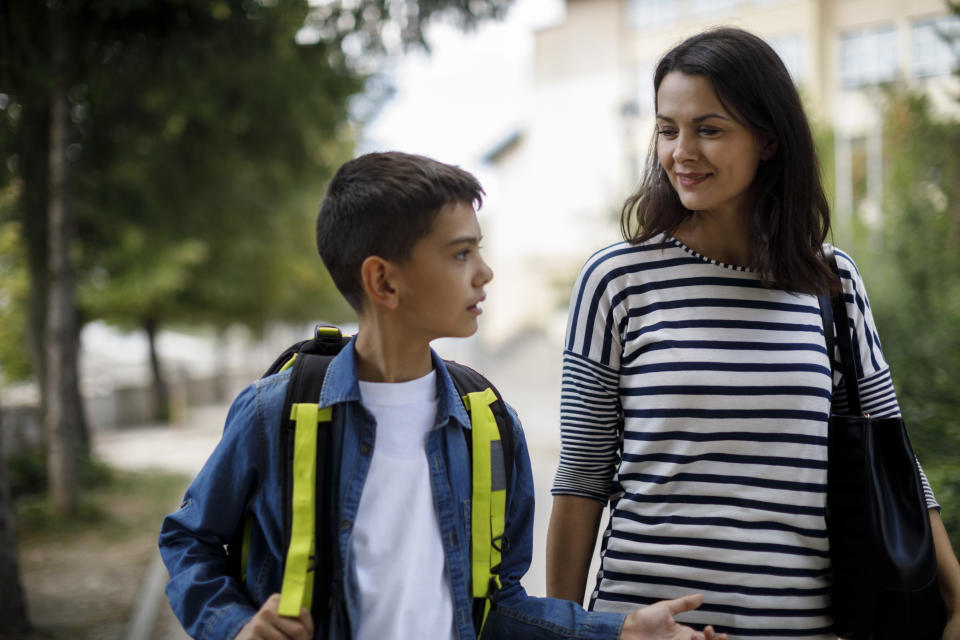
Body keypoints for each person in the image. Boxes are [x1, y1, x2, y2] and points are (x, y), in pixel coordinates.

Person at [158, 151, 727, 640]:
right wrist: (233, 625)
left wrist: (621, 629)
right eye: (460, 254)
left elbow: (497, 606)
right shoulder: (275, 412)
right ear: (384, 281)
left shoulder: (487, 420)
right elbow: (190, 540)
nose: (485, 273)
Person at [545, 26, 960, 639]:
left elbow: (894, 459)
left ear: (768, 140)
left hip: (799, 628)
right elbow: (580, 477)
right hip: (647, 629)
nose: (681, 150)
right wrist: (571, 632)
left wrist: (955, 598)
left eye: (708, 129)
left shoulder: (832, 282)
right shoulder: (616, 280)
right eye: (667, 129)